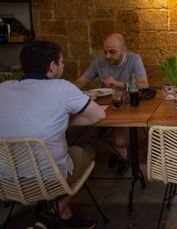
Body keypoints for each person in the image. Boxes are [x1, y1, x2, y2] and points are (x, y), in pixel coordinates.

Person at [0, 40, 105, 229]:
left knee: (55, 151)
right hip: (49, 180)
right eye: (62, 61)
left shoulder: (3, 88)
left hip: (6, 181)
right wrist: (62, 121)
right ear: (52, 66)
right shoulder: (62, 87)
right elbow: (98, 116)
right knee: (89, 147)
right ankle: (51, 215)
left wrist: (58, 123)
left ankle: (65, 215)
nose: (63, 65)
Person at [75, 33, 149, 175]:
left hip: (126, 108)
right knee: (85, 134)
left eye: (112, 52)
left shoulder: (134, 59)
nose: (107, 56)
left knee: (120, 141)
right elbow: (81, 81)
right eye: (105, 51)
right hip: (104, 107)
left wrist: (117, 83)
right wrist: (66, 89)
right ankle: (119, 156)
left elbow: (144, 86)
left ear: (124, 50)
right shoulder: (99, 61)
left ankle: (121, 155)